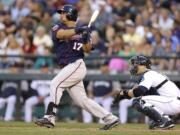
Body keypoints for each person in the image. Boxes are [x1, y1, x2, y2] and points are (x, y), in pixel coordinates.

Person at [35, 5, 119, 130]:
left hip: (76, 64)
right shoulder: (58, 27)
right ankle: (110, 118)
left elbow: (88, 49)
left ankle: (49, 117)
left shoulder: (83, 31)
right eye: (61, 13)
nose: (61, 15)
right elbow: (61, 34)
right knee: (82, 101)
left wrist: (85, 38)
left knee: (55, 84)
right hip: (67, 67)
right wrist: (79, 30)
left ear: (70, 15)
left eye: (63, 13)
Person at [114, 55, 180, 130]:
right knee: (144, 102)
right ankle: (165, 120)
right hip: (172, 102)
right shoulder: (152, 74)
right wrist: (126, 94)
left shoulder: (149, 74)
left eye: (135, 64)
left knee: (138, 101)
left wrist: (124, 93)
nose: (133, 66)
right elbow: (145, 93)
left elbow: (139, 91)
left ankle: (163, 121)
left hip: (173, 102)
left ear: (143, 65)